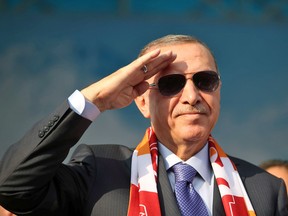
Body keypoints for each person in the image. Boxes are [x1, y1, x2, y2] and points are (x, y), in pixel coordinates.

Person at [0, 34, 287, 216]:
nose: (192, 96)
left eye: (205, 81)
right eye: (170, 84)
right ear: (142, 102)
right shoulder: (100, 169)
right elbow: (14, 188)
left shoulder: (265, 190)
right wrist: (93, 100)